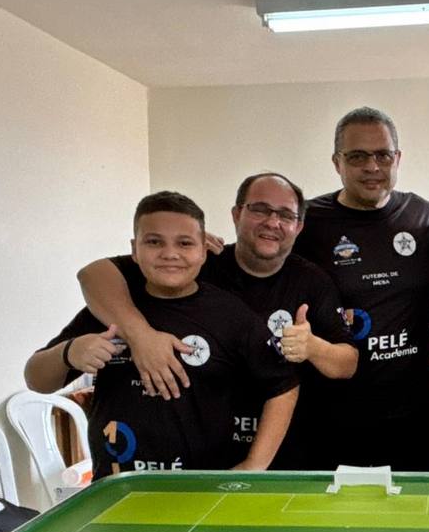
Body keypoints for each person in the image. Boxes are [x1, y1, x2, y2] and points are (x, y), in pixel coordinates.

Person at [76, 174, 357, 469]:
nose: (272, 222)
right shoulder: (195, 263)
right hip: (203, 456)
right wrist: (140, 336)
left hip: (283, 451)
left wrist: (312, 347)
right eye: (260, 209)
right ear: (236, 214)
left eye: (286, 215)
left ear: (298, 226)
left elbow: (346, 364)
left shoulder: (312, 281)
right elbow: (93, 274)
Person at [26, 191, 300, 477]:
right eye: (154, 242)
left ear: (203, 251)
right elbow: (35, 379)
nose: (170, 254)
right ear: (134, 250)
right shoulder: (109, 310)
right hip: (120, 486)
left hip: (204, 487)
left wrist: (254, 465)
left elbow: (283, 385)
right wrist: (69, 352)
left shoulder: (230, 315)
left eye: (185, 243)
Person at [292, 107, 429, 471]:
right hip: (329, 419)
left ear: (398, 158)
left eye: (383, 155)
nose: (372, 167)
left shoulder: (425, 217)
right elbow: (254, 264)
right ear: (337, 162)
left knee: (412, 507)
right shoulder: (307, 223)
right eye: (357, 156)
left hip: (411, 420)